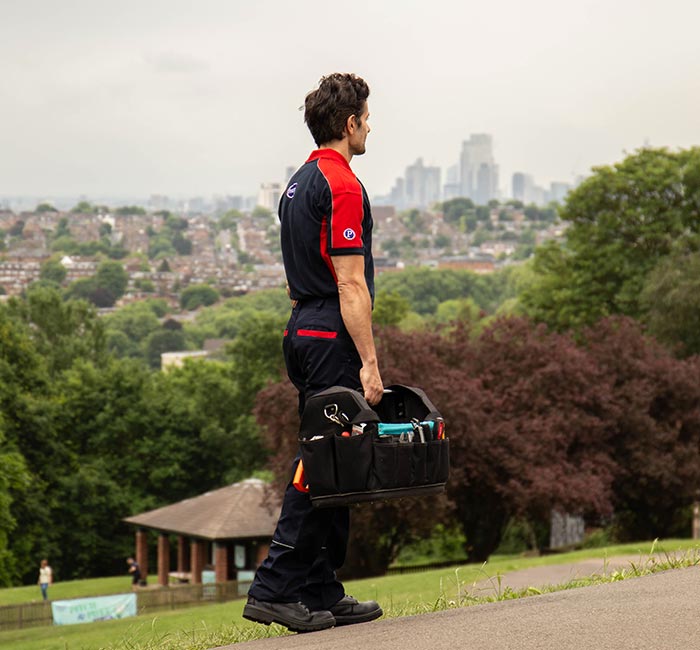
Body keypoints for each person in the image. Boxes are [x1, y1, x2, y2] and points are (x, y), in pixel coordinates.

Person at [243, 73, 384, 633]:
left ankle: (322, 586)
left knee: (337, 459)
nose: (371, 125)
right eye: (367, 117)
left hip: (300, 328)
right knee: (323, 459)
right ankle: (274, 588)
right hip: (330, 333)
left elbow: (293, 276)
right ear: (349, 124)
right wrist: (370, 361)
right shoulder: (341, 184)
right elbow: (350, 284)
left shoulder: (297, 183)